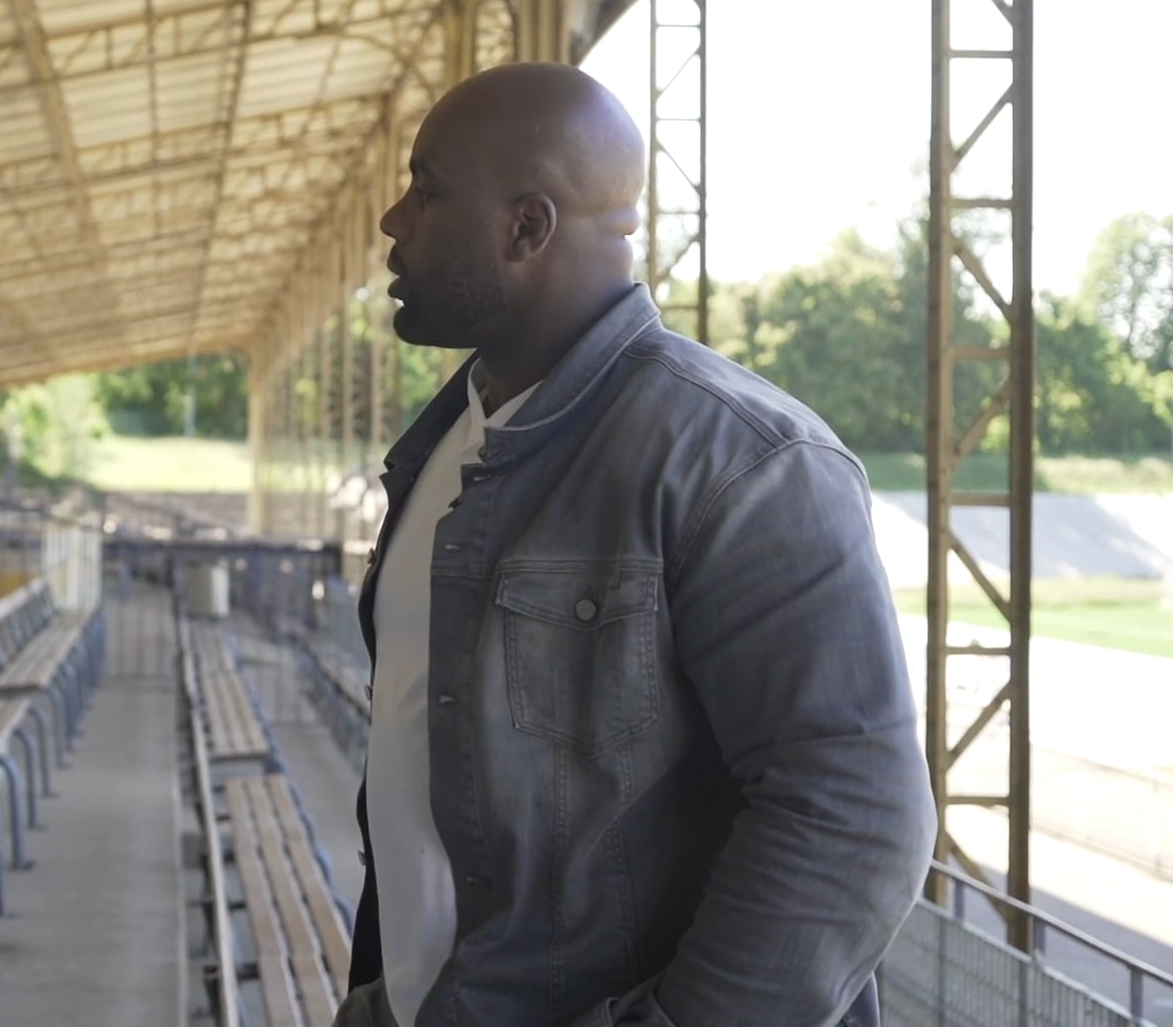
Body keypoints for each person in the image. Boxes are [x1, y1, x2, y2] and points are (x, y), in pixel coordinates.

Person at [331, 62, 937, 1027]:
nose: (395, 221)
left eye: (428, 188)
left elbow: (852, 818)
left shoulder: (744, 462)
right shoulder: (445, 445)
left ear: (526, 228)